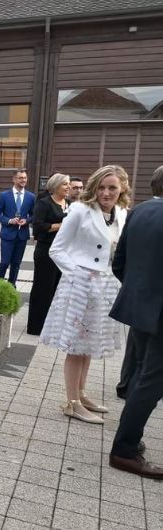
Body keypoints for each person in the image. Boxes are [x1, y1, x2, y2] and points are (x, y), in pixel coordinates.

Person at [40, 165, 129, 424]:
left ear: (121, 188)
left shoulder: (121, 213)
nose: (106, 192)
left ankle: (81, 393)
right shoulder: (80, 210)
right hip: (80, 286)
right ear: (93, 188)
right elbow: (56, 250)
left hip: (105, 286)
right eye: (101, 187)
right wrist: (78, 275)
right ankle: (72, 402)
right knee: (76, 347)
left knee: (88, 346)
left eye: (112, 187)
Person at [109, 166, 163, 478]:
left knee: (143, 375)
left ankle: (131, 439)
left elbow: (120, 262)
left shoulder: (139, 211)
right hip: (158, 312)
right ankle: (125, 449)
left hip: (140, 307)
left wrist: (138, 292)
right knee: (150, 381)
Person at [27, 173, 70, 335]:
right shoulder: (44, 203)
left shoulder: (70, 204)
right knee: (43, 289)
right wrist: (62, 225)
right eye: (65, 184)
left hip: (65, 253)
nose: (69, 187)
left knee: (59, 289)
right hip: (46, 251)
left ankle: (53, 325)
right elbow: (38, 226)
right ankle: (36, 326)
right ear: (56, 185)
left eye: (69, 184)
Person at [0, 169, 36, 285]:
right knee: (4, 262)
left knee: (16, 264)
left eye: (25, 178)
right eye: (20, 178)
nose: (23, 180)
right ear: (14, 179)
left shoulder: (30, 197)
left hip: (22, 235)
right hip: (7, 235)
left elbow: (34, 215)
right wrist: (8, 220)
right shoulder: (4, 195)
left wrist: (26, 220)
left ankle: (12, 286)